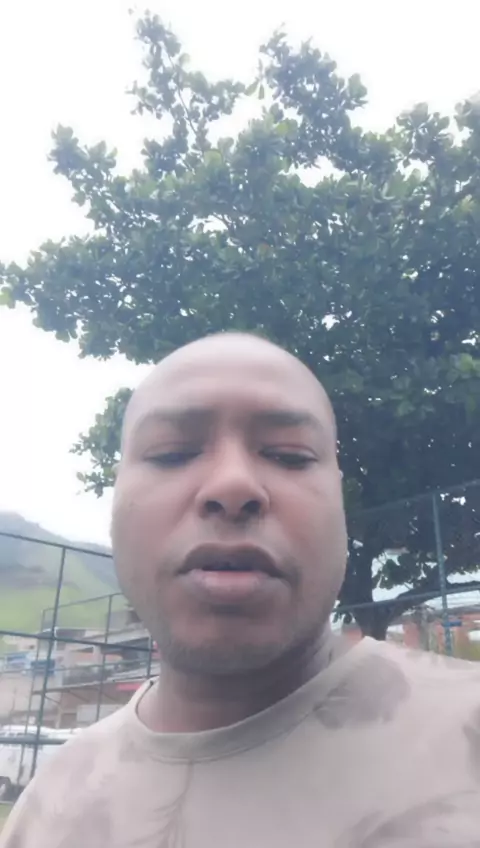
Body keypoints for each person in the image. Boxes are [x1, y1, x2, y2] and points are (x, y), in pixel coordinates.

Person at [2, 332, 479, 848]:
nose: (233, 485)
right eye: (172, 454)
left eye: (290, 455)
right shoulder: (48, 810)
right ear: (116, 500)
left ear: (339, 501)